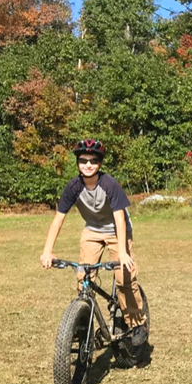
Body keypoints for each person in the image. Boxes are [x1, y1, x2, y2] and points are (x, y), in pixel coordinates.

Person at [40, 138, 147, 346]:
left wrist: (123, 252)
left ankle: (137, 324)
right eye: (83, 160)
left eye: (93, 160)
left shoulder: (109, 184)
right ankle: (82, 325)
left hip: (117, 230)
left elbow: (119, 218)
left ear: (100, 163)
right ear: (78, 162)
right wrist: (47, 250)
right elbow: (59, 218)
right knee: (83, 277)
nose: (88, 164)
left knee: (124, 279)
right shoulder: (73, 187)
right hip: (92, 229)